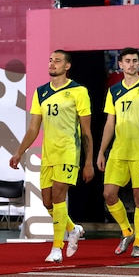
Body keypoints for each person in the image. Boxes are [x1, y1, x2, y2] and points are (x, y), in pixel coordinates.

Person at [10, 50, 93, 263]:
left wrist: (88, 162)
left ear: (67, 66)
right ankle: (73, 229)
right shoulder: (41, 93)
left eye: (57, 60)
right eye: (50, 60)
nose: (52, 63)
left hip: (68, 151)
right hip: (48, 154)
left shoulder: (78, 91)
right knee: (47, 202)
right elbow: (33, 129)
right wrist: (19, 152)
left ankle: (57, 248)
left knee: (58, 197)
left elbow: (86, 131)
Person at [97, 48, 139, 258]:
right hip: (118, 151)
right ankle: (127, 231)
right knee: (109, 194)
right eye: (127, 61)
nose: (132, 64)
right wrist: (101, 152)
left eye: (135, 60)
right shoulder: (114, 91)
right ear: (120, 65)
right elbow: (109, 123)